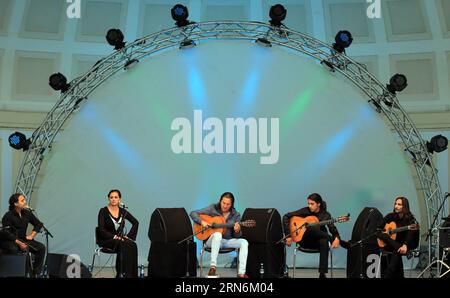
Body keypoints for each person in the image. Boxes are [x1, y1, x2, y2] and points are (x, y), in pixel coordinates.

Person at [190, 192, 249, 278]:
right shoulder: (212, 208)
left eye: (228, 204)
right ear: (220, 201)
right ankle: (213, 267)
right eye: (223, 203)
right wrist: (202, 222)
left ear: (232, 204)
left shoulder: (236, 215)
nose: (225, 206)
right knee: (217, 234)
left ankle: (241, 273)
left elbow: (237, 236)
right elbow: (193, 213)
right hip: (211, 241)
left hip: (226, 241)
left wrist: (237, 230)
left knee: (244, 242)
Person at [282, 193, 341, 278]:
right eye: (308, 203)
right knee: (311, 228)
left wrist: (337, 237)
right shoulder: (305, 211)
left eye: (312, 204)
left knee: (324, 241)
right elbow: (286, 217)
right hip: (304, 241)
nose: (309, 206)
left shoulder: (326, 215)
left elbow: (333, 229)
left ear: (318, 204)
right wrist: (288, 236)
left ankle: (322, 274)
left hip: (317, 243)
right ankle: (332, 239)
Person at [1, 193, 46, 277]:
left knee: (41, 248)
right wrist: (19, 243)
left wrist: (32, 235)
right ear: (15, 204)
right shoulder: (8, 216)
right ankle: (20, 274)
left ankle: (35, 273)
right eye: (22, 200)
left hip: (22, 239)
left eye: (24, 200)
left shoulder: (27, 213)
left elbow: (38, 224)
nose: (25, 202)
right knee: (17, 251)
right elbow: (6, 233)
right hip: (10, 241)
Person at [97, 189, 139, 278]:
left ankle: (131, 275)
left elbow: (136, 222)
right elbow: (101, 229)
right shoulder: (103, 211)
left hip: (120, 239)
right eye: (111, 197)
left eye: (116, 197)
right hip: (106, 239)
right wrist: (114, 236)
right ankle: (120, 274)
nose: (113, 199)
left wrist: (128, 236)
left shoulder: (123, 211)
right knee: (122, 244)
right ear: (108, 199)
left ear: (119, 199)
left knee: (132, 245)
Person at [376, 196, 418, 278]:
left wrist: (405, 245)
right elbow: (378, 229)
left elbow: (411, 233)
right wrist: (384, 232)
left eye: (399, 204)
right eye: (395, 204)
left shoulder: (410, 218)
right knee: (383, 235)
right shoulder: (390, 216)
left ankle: (387, 275)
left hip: (406, 243)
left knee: (396, 251)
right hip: (395, 244)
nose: (396, 206)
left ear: (404, 206)